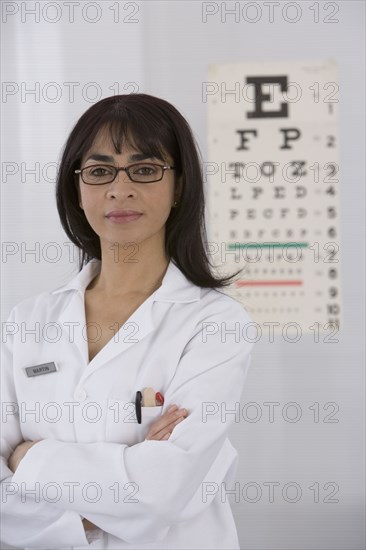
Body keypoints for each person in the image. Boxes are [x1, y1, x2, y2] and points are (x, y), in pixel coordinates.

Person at [1, 93, 255, 549]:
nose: (120, 189)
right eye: (99, 172)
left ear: (179, 186)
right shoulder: (27, 321)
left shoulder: (216, 322)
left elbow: (164, 490)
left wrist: (29, 457)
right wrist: (84, 517)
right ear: (77, 189)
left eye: (145, 169)